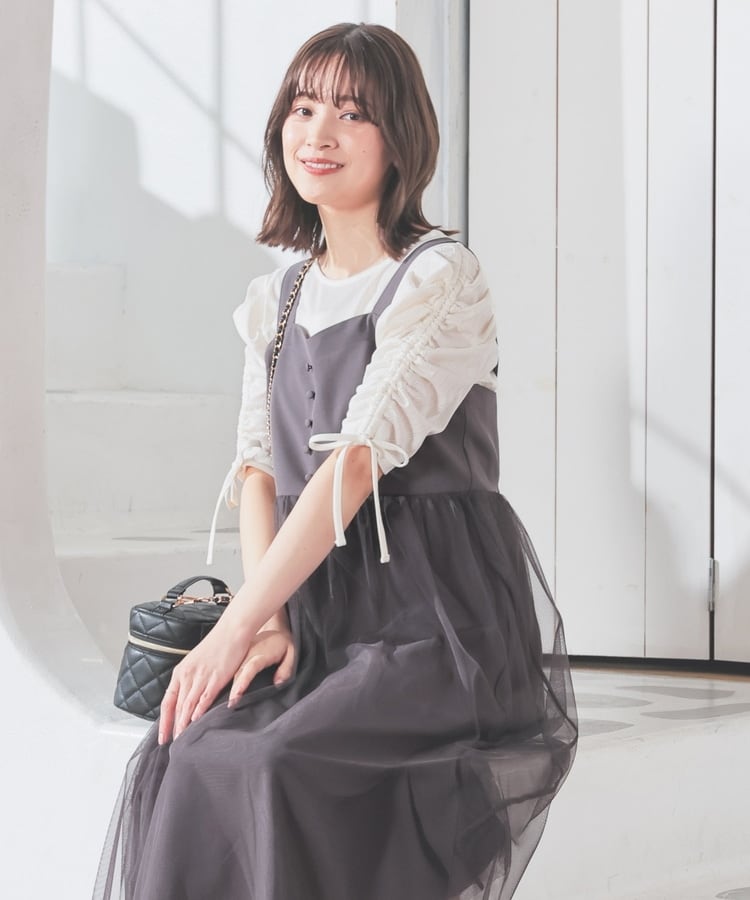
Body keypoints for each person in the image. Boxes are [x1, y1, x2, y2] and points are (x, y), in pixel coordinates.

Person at [93, 21, 578, 900]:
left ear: (400, 138)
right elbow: (257, 470)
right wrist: (267, 619)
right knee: (187, 751)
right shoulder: (273, 299)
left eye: (353, 114)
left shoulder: (439, 278)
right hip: (309, 609)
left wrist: (233, 629)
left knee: (275, 763)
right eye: (303, 108)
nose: (318, 133)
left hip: (433, 621)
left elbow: (357, 463)